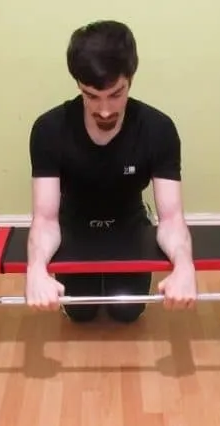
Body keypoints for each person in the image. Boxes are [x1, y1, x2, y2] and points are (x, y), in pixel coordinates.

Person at [24, 20, 198, 323]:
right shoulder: (49, 129)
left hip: (129, 224)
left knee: (127, 311)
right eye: (92, 96)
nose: (105, 110)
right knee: (81, 313)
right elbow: (45, 218)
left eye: (116, 94)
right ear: (78, 84)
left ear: (130, 78)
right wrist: (36, 269)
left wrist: (184, 266)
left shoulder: (158, 129)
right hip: (73, 225)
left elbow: (171, 219)